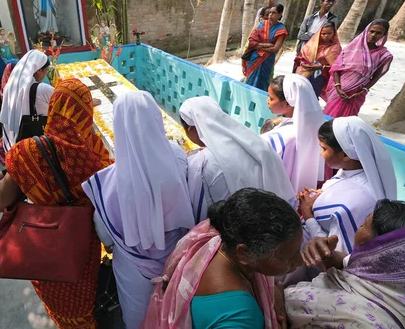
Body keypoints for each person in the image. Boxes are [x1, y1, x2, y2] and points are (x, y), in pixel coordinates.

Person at [0, 78, 113, 328]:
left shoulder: (23, 152)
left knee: (60, 303)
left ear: (54, 107)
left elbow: (1, 203)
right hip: (83, 246)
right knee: (86, 300)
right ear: (86, 111)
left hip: (42, 244)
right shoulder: (96, 156)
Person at [83, 91, 195, 329]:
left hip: (132, 268)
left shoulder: (107, 184)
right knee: (176, 312)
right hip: (178, 257)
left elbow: (105, 235)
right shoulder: (178, 156)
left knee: (137, 317)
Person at [142, 188, 304, 329]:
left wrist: (274, 292)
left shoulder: (216, 239)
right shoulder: (240, 317)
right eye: (288, 258)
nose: (300, 261)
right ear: (244, 253)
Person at [286, 199, 405, 328]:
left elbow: (283, 305)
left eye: (363, 226)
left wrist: (277, 296)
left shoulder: (340, 311)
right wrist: (328, 257)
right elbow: (347, 262)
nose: (359, 226)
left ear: (378, 254)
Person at [179, 96, 296, 223]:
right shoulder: (256, 143)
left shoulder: (201, 163)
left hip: (235, 231)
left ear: (189, 128)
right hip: (273, 222)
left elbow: (198, 212)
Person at [298, 117, 397, 255]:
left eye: (324, 148)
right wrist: (322, 194)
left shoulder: (355, 203)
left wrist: (307, 213)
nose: (320, 153)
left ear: (345, 154)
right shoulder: (351, 171)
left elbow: (333, 251)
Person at [262, 75, 325, 194]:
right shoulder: (316, 127)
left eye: (271, 98)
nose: (267, 101)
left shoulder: (280, 137)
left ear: (287, 104)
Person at [323, 19, 393, 118]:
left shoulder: (384, 55)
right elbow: (336, 68)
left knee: (347, 120)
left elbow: (376, 76)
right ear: (367, 31)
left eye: (378, 33)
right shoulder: (351, 48)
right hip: (339, 89)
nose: (373, 35)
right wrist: (338, 87)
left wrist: (363, 90)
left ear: (383, 35)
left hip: (357, 93)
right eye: (372, 31)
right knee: (329, 116)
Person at [0, 49, 53, 153]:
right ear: (38, 70)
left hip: (15, 145)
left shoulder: (10, 87)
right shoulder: (42, 89)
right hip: (36, 144)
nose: (46, 74)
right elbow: (65, 103)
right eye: (46, 71)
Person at [242, 4, 288, 91]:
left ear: (280, 14)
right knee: (250, 79)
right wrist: (265, 45)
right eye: (270, 13)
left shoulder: (281, 29)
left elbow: (275, 49)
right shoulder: (262, 24)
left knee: (263, 81)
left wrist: (257, 46)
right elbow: (251, 41)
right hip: (254, 57)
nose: (270, 15)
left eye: (274, 13)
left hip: (267, 60)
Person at [293, 22, 342, 99]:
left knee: (311, 97)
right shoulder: (313, 43)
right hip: (304, 71)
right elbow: (302, 56)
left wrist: (321, 67)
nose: (326, 36)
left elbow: (336, 67)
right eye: (323, 34)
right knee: (297, 95)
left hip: (320, 76)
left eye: (329, 33)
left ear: (334, 33)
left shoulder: (335, 48)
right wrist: (303, 63)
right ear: (319, 33)